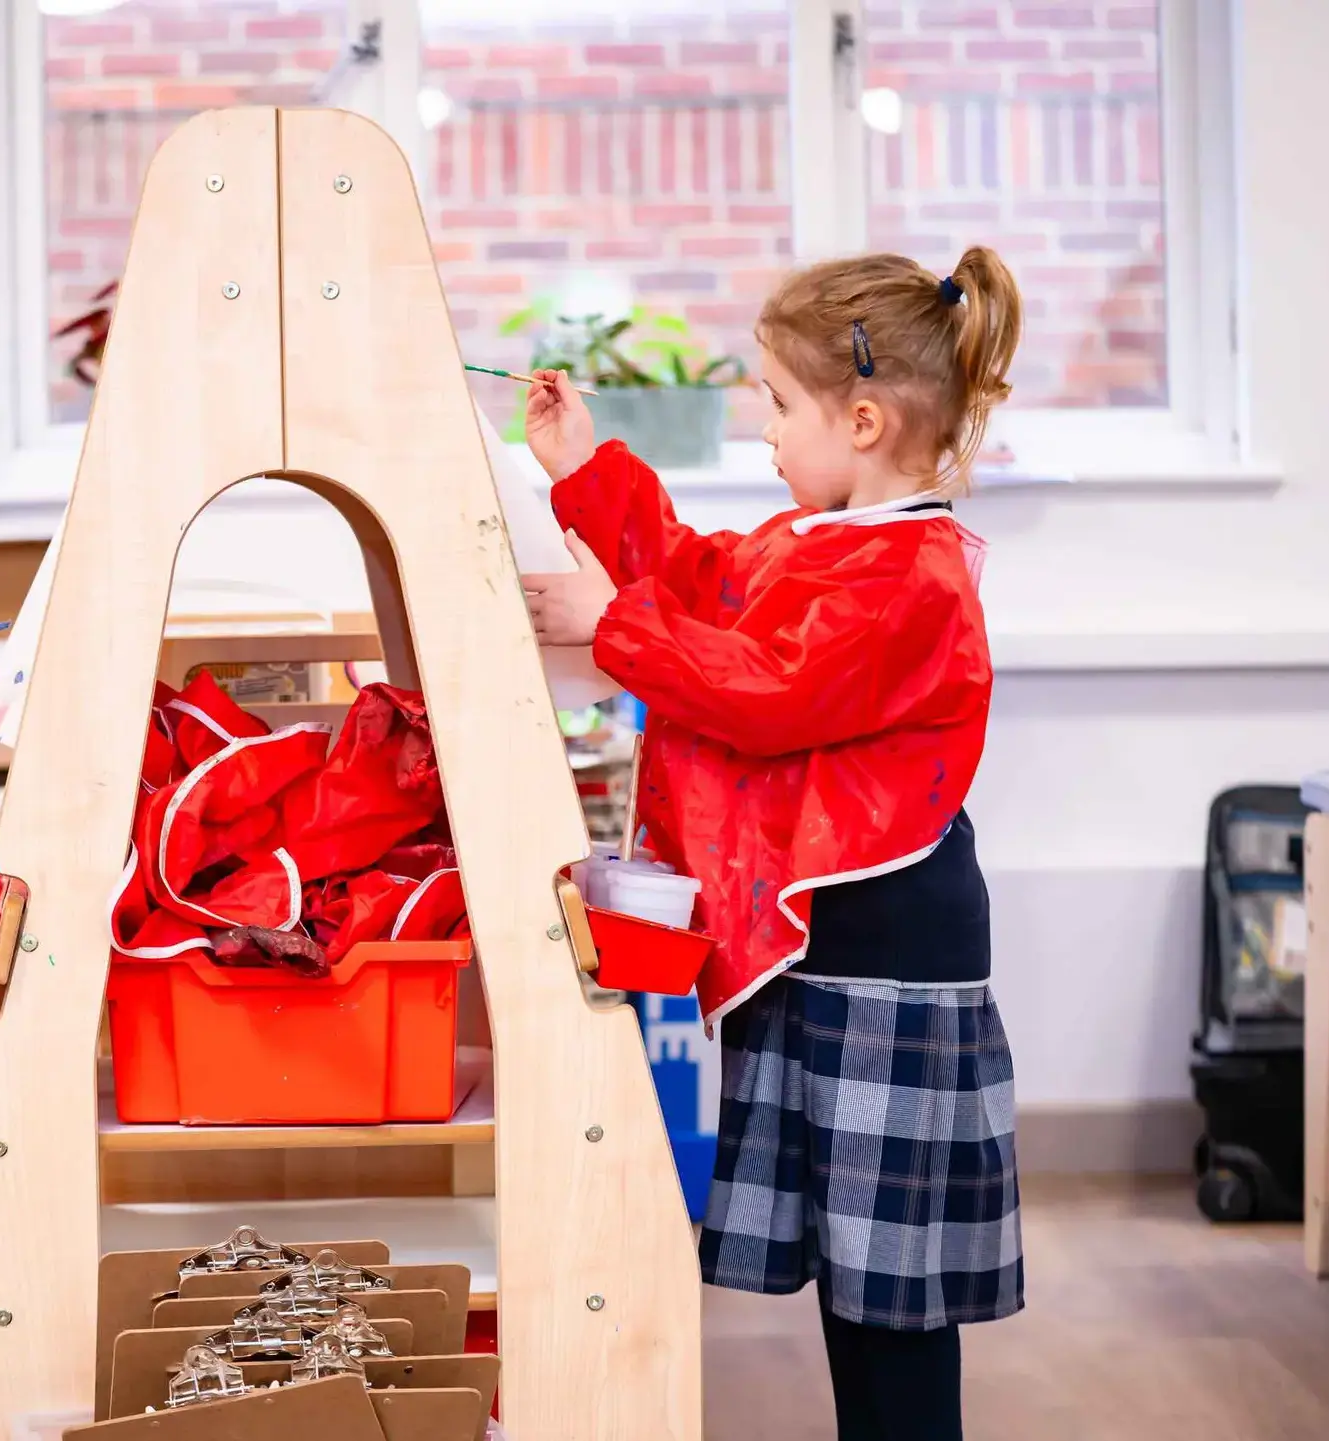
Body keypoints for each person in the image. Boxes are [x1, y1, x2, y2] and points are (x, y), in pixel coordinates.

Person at [522, 249, 1025, 1441]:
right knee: (859, 1291)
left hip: (885, 963)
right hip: (830, 956)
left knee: (888, 1309)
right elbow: (700, 584)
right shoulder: (819, 540)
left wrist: (612, 627)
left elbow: (764, 688)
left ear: (863, 421)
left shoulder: (911, 575)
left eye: (779, 403)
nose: (763, 429)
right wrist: (584, 469)